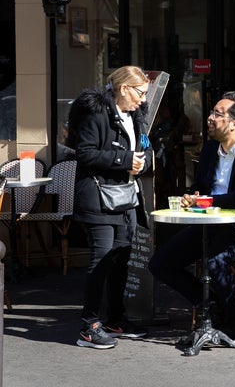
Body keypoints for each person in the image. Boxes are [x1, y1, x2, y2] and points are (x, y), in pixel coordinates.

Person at [148, 91, 235, 339]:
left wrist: (204, 202)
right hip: (210, 225)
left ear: (234, 124)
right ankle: (210, 304)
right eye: (212, 112)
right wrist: (191, 198)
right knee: (160, 263)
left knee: (215, 263)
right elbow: (202, 188)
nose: (209, 118)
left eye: (218, 114)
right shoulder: (208, 151)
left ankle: (233, 323)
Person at [66, 66, 153, 349]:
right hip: (98, 197)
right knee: (102, 258)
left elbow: (146, 148)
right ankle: (89, 327)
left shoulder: (135, 116)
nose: (142, 100)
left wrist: (143, 161)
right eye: (139, 93)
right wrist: (125, 160)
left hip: (125, 197)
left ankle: (116, 319)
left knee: (121, 259)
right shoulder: (97, 112)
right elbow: (85, 153)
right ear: (124, 88)